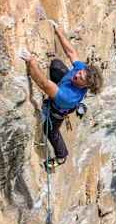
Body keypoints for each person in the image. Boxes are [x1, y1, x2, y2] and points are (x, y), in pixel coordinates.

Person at [20, 20, 103, 171]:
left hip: (59, 109)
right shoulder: (82, 71)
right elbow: (71, 52)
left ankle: (61, 156)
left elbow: (44, 84)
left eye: (80, 78)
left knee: (50, 131)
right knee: (57, 64)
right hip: (64, 87)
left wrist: (31, 62)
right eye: (80, 72)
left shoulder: (68, 96)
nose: (77, 74)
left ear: (85, 85)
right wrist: (58, 31)